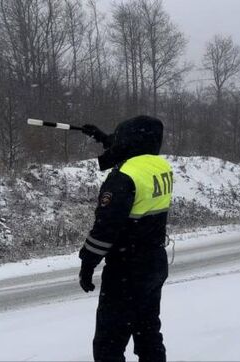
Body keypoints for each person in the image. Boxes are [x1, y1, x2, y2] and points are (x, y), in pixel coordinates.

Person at [79, 115, 173, 362]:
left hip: (126, 270)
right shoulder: (160, 166)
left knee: (108, 344)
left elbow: (105, 229)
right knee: (148, 333)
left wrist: (87, 264)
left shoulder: (124, 177)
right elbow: (133, 148)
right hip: (155, 263)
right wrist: (103, 138)